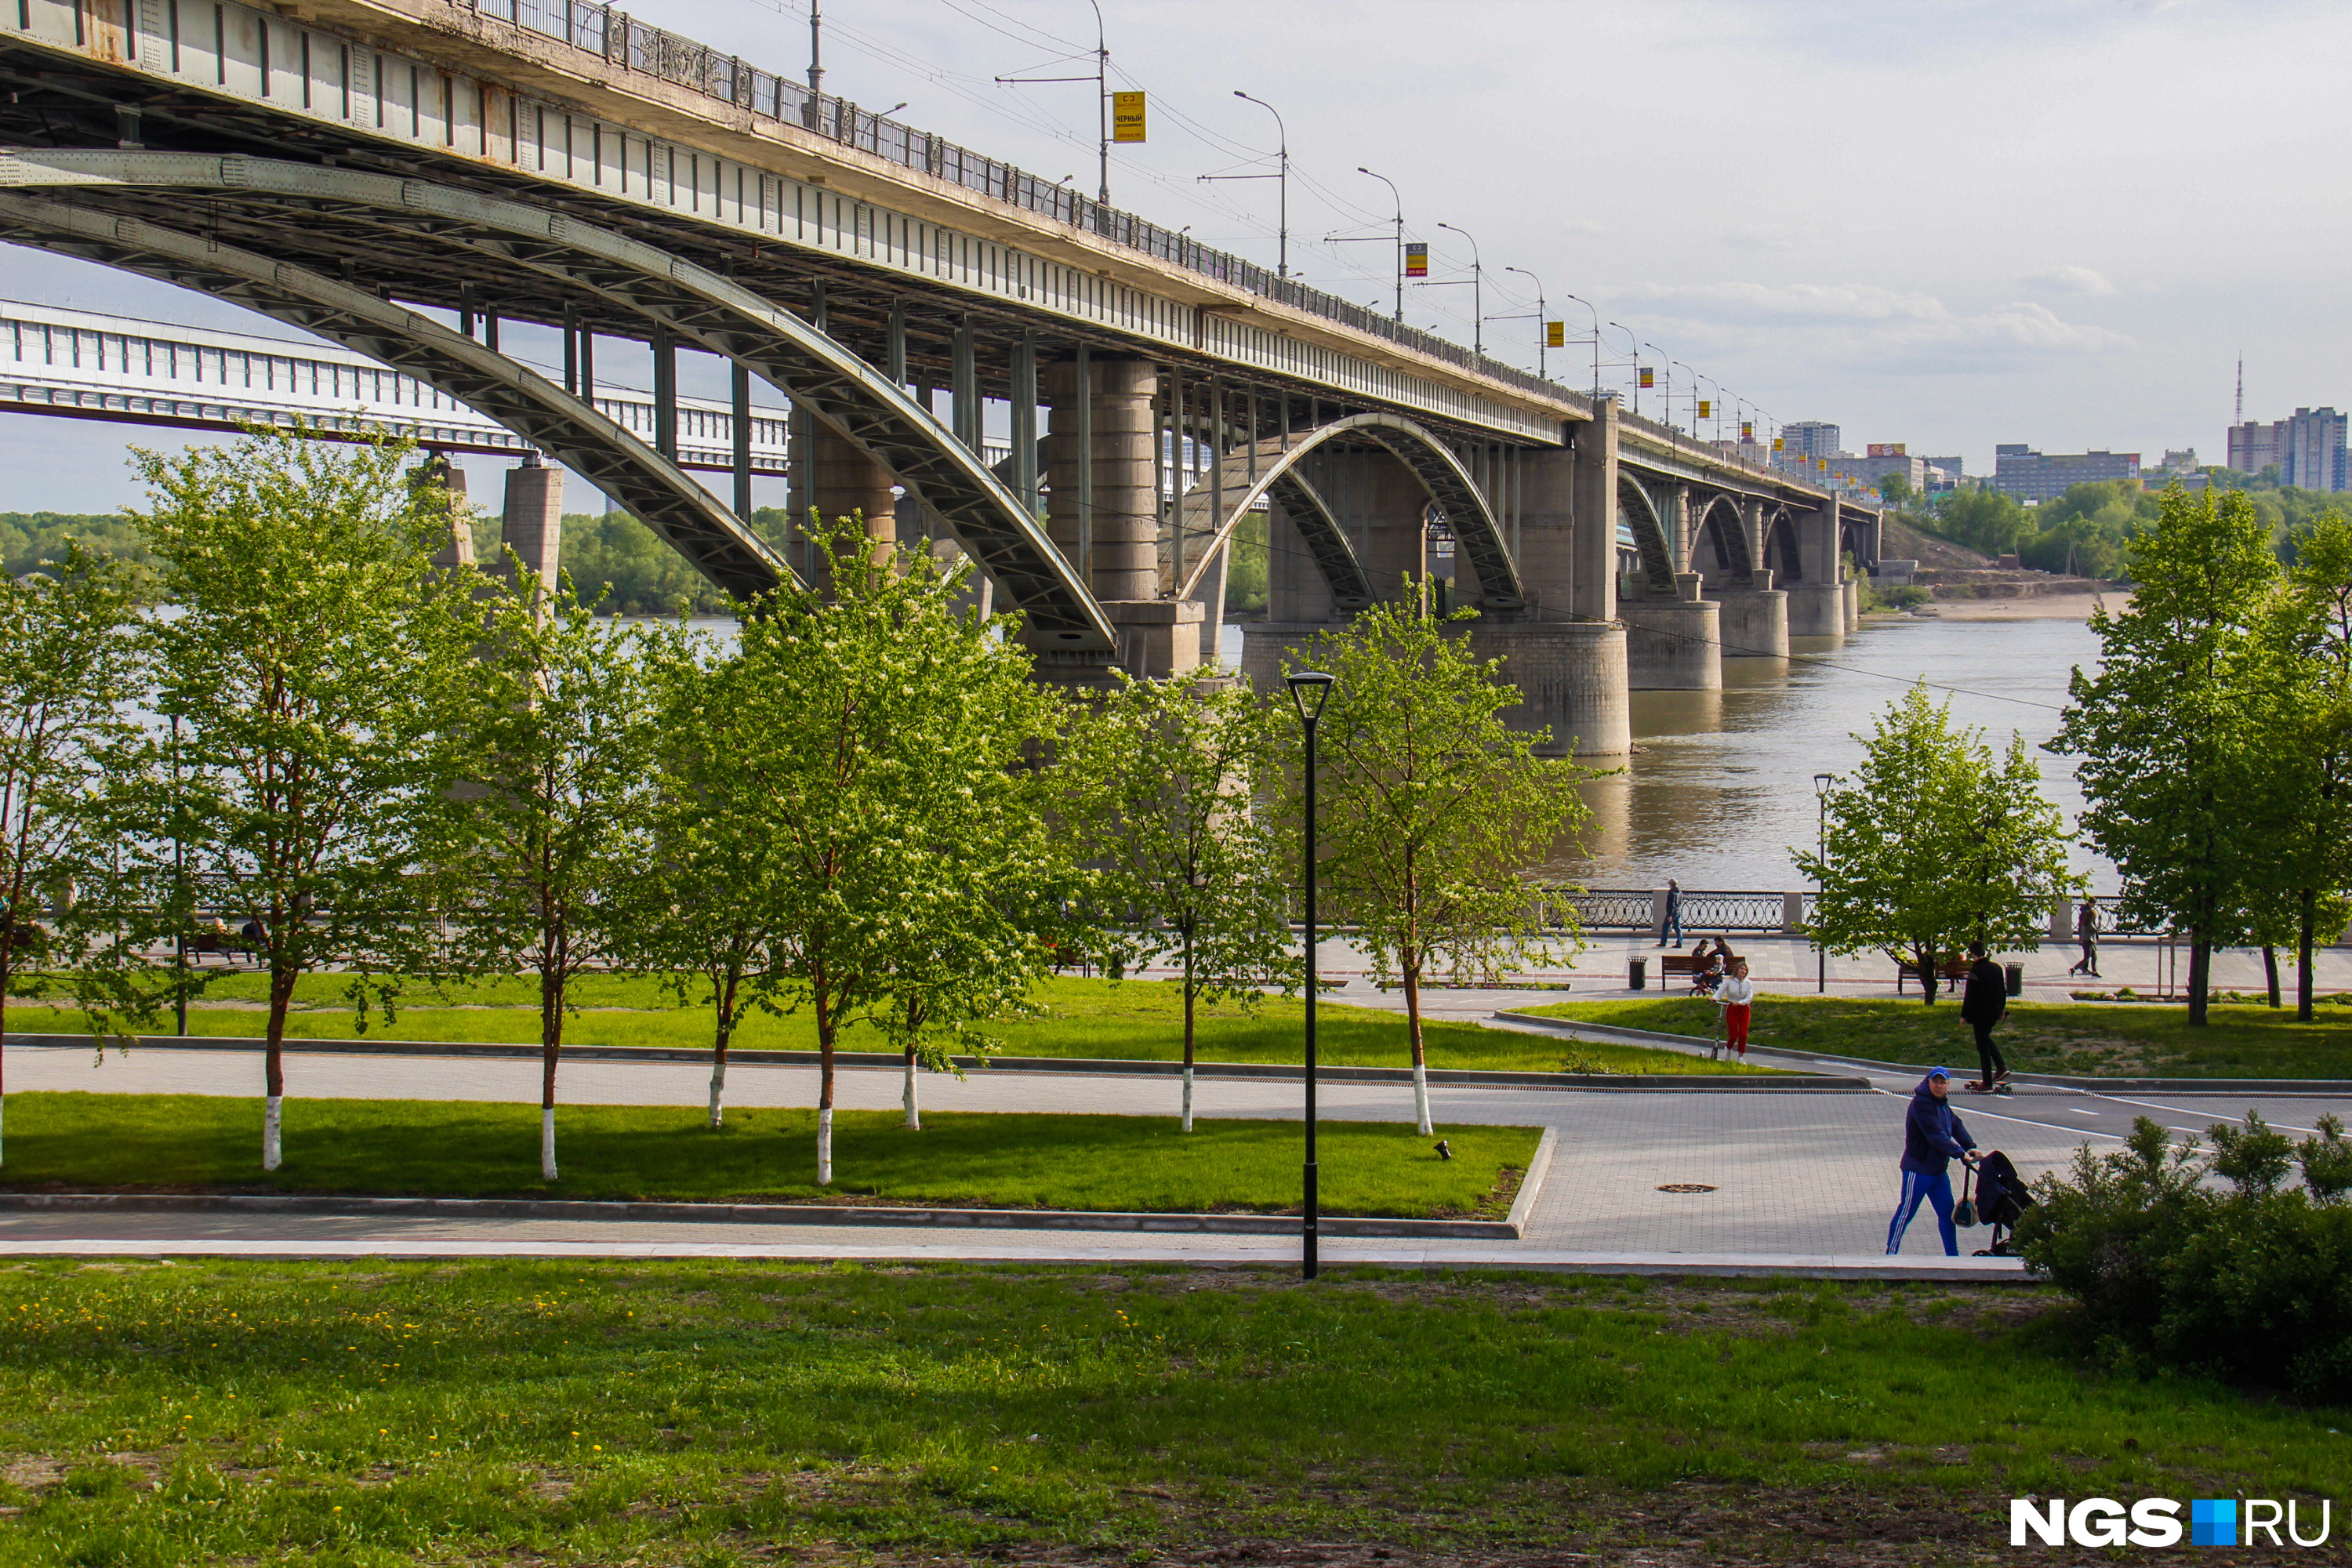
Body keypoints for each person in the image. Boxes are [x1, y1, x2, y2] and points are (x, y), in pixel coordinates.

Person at [1886, 1066, 1980, 1255]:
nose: (1938, 1085)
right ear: (1928, 1081)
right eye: (1935, 1081)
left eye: (1942, 1082)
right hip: (1918, 1169)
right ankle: (1891, 1253)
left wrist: (1970, 1146)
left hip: (1938, 1172)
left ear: (1948, 1085)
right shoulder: (1921, 1104)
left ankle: (1953, 1256)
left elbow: (1956, 1125)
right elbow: (1935, 1136)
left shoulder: (1942, 1104)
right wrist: (1960, 1154)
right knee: (1906, 1212)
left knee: (1947, 1214)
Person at [1959, 941, 2009, 1092]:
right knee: (1985, 1037)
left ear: (1972, 954)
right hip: (1994, 1011)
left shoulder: (1975, 972)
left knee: (1983, 1048)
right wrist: (2001, 1010)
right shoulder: (1996, 968)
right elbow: (2002, 990)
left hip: (1980, 1014)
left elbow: (1970, 996)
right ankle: (2000, 1067)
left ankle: (1987, 1082)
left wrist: (1964, 1015)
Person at [1715, 957, 1755, 1058]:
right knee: (1733, 1034)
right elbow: (1720, 991)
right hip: (1732, 1008)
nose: (1743, 971)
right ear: (1737, 970)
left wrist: (1740, 1003)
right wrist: (1714, 998)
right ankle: (1728, 1049)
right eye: (1741, 969)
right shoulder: (1729, 981)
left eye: (1745, 970)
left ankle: (1740, 1057)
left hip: (1744, 1009)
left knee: (1743, 1034)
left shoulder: (1748, 983)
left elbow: (1749, 997)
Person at [2068, 897, 2100, 978]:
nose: (2094, 905)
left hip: (2089, 939)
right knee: (2087, 957)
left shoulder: (2087, 913)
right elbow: (2093, 929)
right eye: (2093, 903)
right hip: (2088, 940)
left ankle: (2094, 971)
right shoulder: (2086, 914)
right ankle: (2074, 969)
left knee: (2093, 956)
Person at [1659, 879, 1684, 948]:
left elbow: (1671, 904)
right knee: (1677, 927)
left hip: (1673, 912)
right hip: (1678, 911)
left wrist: (1669, 915)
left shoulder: (1671, 892)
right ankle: (1680, 942)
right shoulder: (1680, 892)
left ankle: (1663, 942)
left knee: (1665, 926)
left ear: (1670, 884)